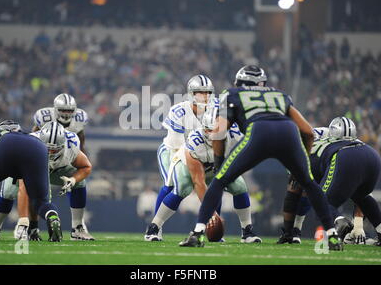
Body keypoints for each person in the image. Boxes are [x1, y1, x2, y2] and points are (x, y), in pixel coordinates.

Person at [179, 65, 343, 250]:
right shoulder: (280, 95)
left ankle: (198, 234)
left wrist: (218, 162)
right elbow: (308, 132)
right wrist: (302, 162)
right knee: (310, 184)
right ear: (262, 83)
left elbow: (219, 132)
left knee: (219, 181)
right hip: (288, 134)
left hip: (259, 133)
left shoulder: (232, 94)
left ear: (239, 82)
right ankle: (332, 235)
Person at [145, 101, 261, 243]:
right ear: (205, 129)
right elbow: (199, 183)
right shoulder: (195, 144)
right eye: (213, 131)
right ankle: (154, 227)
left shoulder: (234, 135)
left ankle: (247, 231)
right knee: (182, 188)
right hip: (186, 165)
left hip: (216, 166)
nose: (217, 135)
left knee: (240, 187)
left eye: (221, 130)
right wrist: (211, 214)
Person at [278, 117, 381, 247]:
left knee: (321, 203)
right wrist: (358, 224)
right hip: (371, 154)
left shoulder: (294, 150)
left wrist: (288, 232)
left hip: (344, 156)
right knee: (362, 195)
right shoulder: (326, 133)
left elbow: (293, 194)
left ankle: (340, 223)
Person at [0, 121, 95, 241]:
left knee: (80, 182)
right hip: (32, 167)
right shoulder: (29, 145)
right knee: (8, 192)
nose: (51, 153)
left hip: (57, 170)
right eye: (47, 149)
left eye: (54, 150)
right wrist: (23, 220)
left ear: (63, 144)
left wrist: (73, 179)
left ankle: (77, 228)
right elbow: (24, 186)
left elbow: (86, 166)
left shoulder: (71, 145)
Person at [15, 93, 89, 240]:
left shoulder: (78, 124)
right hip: (40, 160)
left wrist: (78, 157)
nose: (66, 114)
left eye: (69, 111)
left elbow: (81, 141)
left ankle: (77, 227)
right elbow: (33, 138)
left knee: (79, 181)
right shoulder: (43, 118)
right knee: (13, 190)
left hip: (63, 159)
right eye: (63, 110)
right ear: (55, 109)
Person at [154, 74, 215, 239]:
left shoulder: (215, 110)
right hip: (173, 151)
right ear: (191, 94)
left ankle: (214, 228)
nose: (206, 96)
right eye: (201, 92)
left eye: (208, 92)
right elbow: (178, 146)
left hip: (201, 154)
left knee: (215, 186)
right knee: (172, 184)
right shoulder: (179, 111)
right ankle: (155, 228)